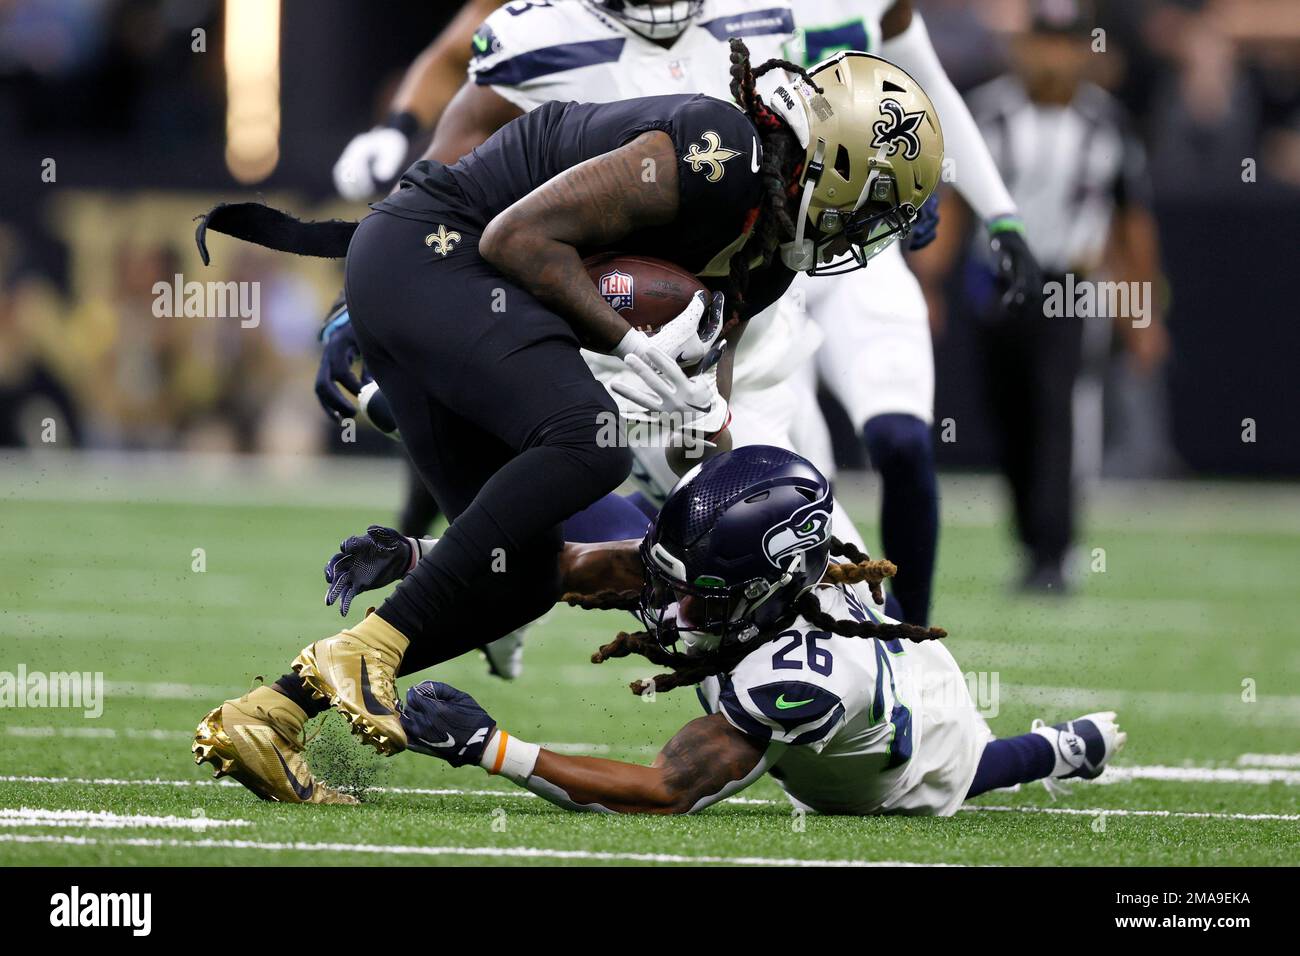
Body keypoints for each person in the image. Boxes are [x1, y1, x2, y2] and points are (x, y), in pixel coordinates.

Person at [192, 42, 946, 798]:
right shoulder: (720, 154)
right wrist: (624, 341)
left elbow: (705, 419)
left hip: (451, 283)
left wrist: (737, 540)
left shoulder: (770, 248)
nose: (867, 235)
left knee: (520, 579)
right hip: (428, 252)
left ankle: (270, 716)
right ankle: (370, 649)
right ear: (833, 162)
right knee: (592, 442)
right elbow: (513, 239)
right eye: (873, 209)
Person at [320, 0, 1044, 630]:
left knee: (773, 550)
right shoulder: (545, 31)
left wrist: (707, 429)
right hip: (581, 296)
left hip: (720, 323)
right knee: (585, 476)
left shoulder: (763, 31)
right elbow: (450, 195)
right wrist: (371, 292)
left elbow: (869, 108)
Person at [397, 445, 1126, 815]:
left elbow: (662, 790)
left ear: (766, 589)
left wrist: (491, 748)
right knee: (595, 511)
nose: (677, 609)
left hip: (914, 750)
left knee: (967, 771)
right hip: (812, 642)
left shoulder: (800, 683)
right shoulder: (754, 575)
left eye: (702, 595)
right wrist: (417, 554)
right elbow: (587, 567)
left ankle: (1059, 748)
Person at [924, 0, 1168, 593]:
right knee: (1008, 415)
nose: (1054, 56)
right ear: (1021, 46)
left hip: (1070, 288)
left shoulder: (1106, 124)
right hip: (1000, 286)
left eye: (1067, 42)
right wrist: (928, 284)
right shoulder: (985, 114)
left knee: (1058, 412)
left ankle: (1054, 553)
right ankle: (1033, 542)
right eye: (1044, 41)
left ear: (1085, 50)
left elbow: (1130, 223)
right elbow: (953, 203)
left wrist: (1145, 312)